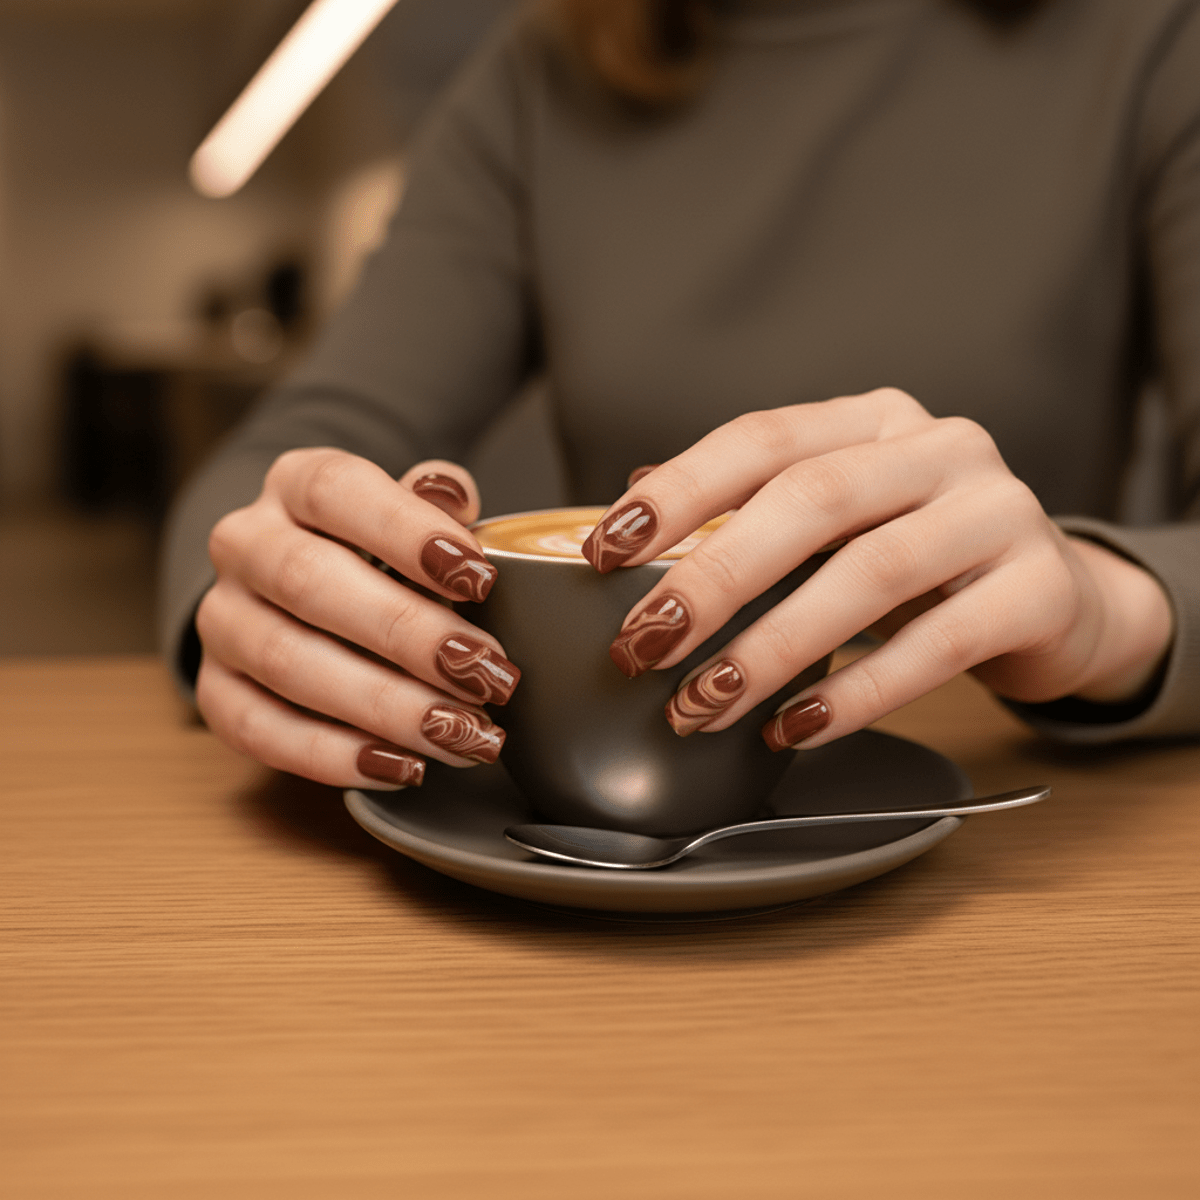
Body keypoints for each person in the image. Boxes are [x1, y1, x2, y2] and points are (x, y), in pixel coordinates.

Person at [160, 0, 1200, 793]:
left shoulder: (1152, 39)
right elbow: (287, 459)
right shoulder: (540, 77)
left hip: (1019, 867)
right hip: (595, 856)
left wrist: (1114, 610)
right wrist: (267, 587)